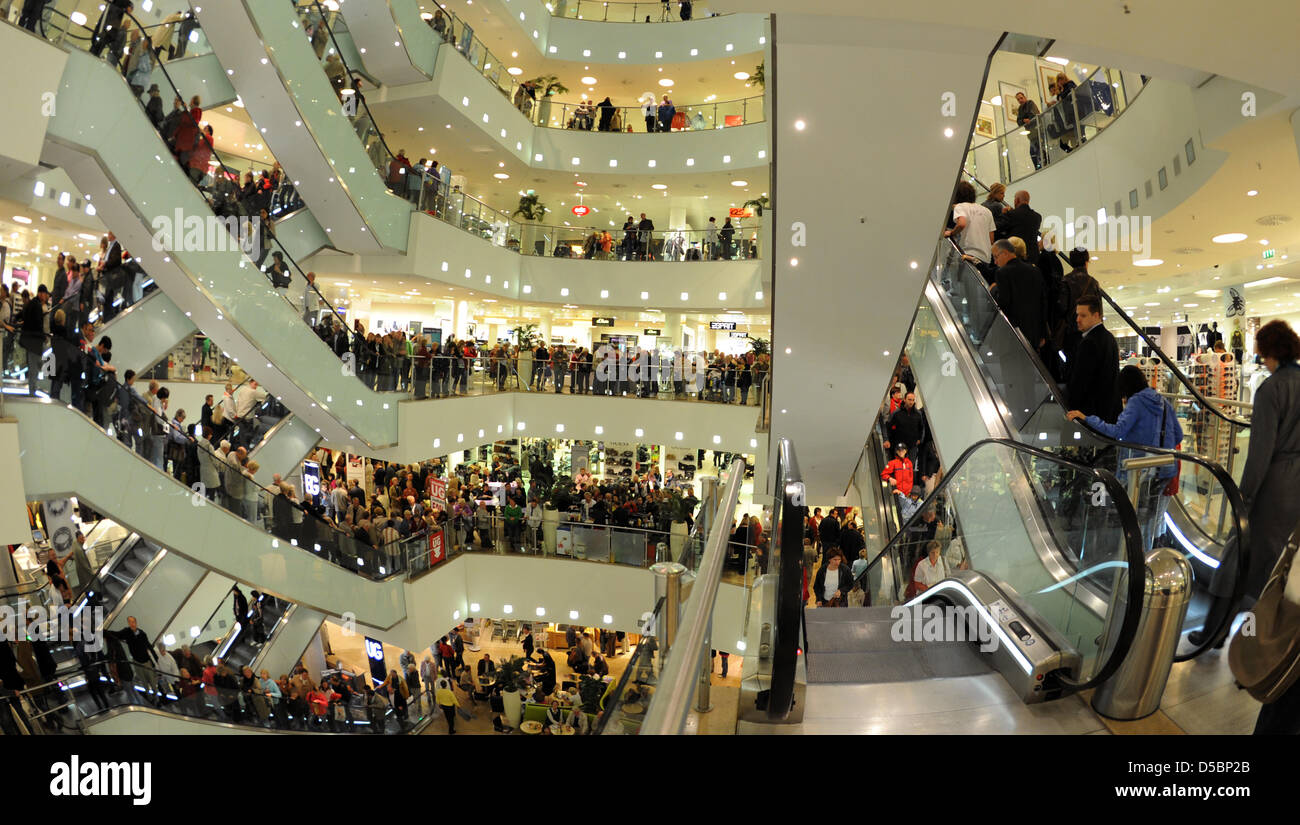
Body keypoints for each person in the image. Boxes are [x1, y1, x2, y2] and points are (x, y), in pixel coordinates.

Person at [1067, 365, 1183, 546]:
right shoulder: (1162, 401)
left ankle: (1134, 556)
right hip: (1164, 468)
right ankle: (1149, 555)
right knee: (1151, 518)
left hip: (1140, 469)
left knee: (1135, 516)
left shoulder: (1136, 402)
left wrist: (1087, 418)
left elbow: (1117, 430)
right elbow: (1178, 434)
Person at [1066, 296, 1121, 422]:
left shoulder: (1089, 342)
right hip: (1109, 413)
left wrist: (1072, 407)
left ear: (1096, 315)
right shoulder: (1109, 337)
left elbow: (1080, 382)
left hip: (1091, 415)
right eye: (1077, 315)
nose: (1078, 320)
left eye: (1083, 315)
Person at [990, 238, 1047, 348]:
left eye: (996, 257)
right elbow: (1043, 303)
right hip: (1033, 333)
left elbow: (1003, 303)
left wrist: (994, 289)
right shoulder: (1034, 270)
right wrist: (1042, 333)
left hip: (1012, 335)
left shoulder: (1002, 273)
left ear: (1005, 253)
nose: (996, 262)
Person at [944, 181, 995, 279]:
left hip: (967, 253)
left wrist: (951, 233)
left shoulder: (960, 207)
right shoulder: (986, 211)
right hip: (985, 257)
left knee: (963, 286)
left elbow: (962, 223)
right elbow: (991, 239)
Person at [995, 190, 1043, 264]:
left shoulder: (1011, 215)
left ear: (1017, 200)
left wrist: (1003, 214)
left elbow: (997, 228)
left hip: (1016, 256)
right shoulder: (1037, 217)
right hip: (1033, 256)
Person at [1014, 92, 1043, 169]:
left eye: (1021, 98)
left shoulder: (1030, 103)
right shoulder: (1020, 109)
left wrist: (1024, 120)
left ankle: (1042, 165)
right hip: (1031, 134)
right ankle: (1038, 167)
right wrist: (1024, 120)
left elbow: (1032, 115)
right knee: (1033, 152)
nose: (1020, 100)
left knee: (1038, 150)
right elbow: (1018, 122)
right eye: (1018, 99)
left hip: (1038, 130)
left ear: (1025, 97)